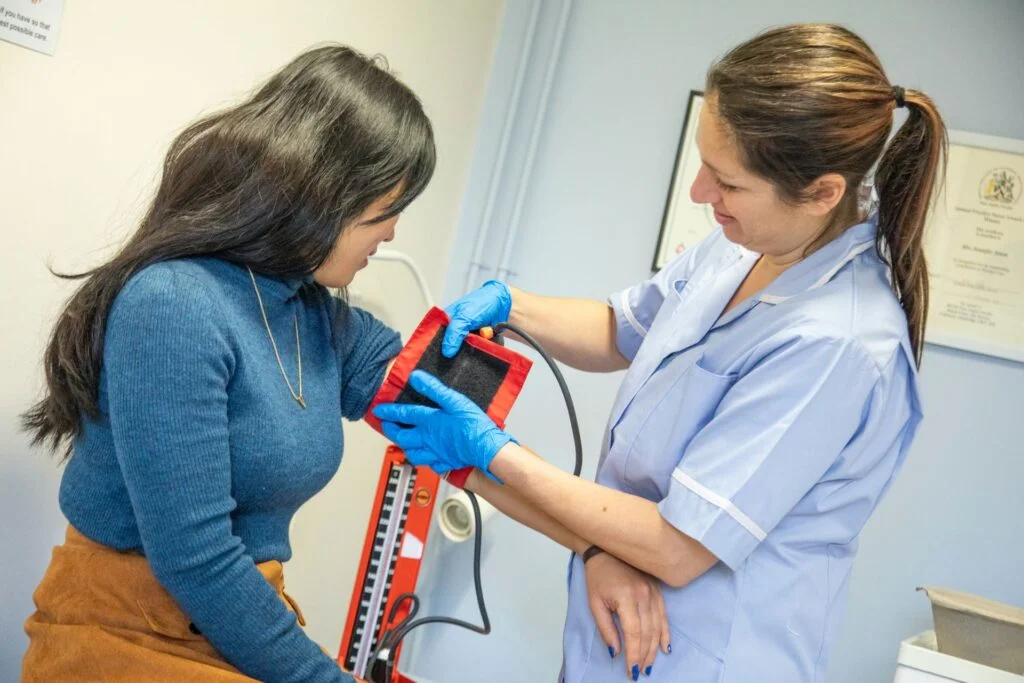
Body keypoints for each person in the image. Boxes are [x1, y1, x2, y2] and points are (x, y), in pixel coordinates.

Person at [373, 23, 946, 682]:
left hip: (705, 658)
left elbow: (678, 547)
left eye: (727, 182)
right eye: (705, 163)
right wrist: (513, 303)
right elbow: (623, 328)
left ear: (822, 193)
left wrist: (493, 449)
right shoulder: (750, 240)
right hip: (611, 637)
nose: (701, 193)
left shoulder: (838, 345)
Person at [20, 45, 434, 682]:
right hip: (123, 634)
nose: (392, 233)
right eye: (386, 209)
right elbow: (197, 557)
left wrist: (519, 315)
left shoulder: (309, 309)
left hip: (227, 624)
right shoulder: (175, 306)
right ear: (324, 190)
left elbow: (427, 392)